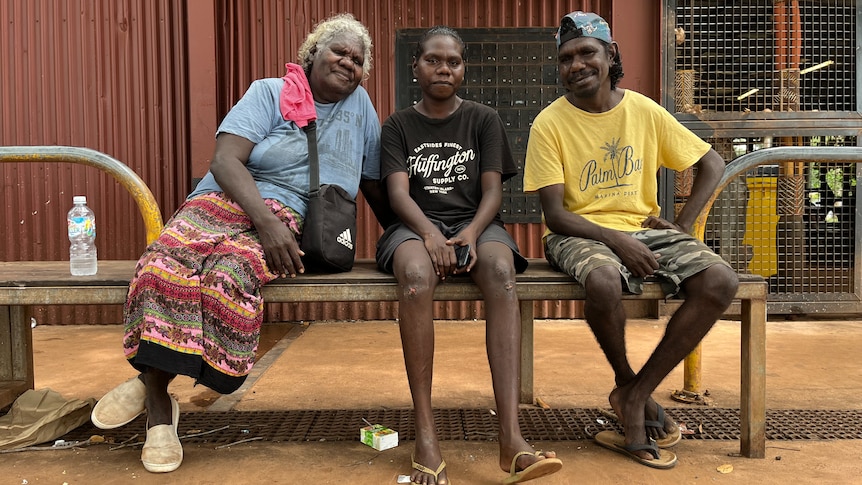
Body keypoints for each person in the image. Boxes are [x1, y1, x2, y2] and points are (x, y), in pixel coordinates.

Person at [90, 13, 390, 473]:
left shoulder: (361, 108)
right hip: (225, 199)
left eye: (357, 59)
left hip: (294, 216)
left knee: (229, 274)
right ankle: (157, 409)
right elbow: (227, 161)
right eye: (339, 51)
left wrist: (407, 237)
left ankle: (149, 377)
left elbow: (371, 181)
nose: (348, 63)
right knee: (161, 266)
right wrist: (265, 222)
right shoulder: (269, 92)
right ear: (312, 54)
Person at [524, 11, 739, 469]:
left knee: (720, 281)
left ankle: (636, 393)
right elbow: (557, 215)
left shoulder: (642, 109)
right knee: (602, 281)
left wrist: (681, 226)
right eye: (566, 59)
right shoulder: (549, 123)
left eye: (587, 53)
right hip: (578, 231)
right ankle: (626, 383)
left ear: (610, 55)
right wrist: (617, 241)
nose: (576, 65)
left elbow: (712, 164)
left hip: (644, 228)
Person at [376, 26, 562, 485]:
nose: (443, 68)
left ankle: (511, 438)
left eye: (453, 61)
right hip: (415, 227)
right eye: (433, 60)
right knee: (416, 277)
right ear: (415, 67)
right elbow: (398, 194)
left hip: (475, 223)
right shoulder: (398, 125)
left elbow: (493, 191)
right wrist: (430, 235)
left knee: (501, 272)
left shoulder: (483, 118)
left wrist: (474, 234)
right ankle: (426, 436)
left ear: (464, 69)